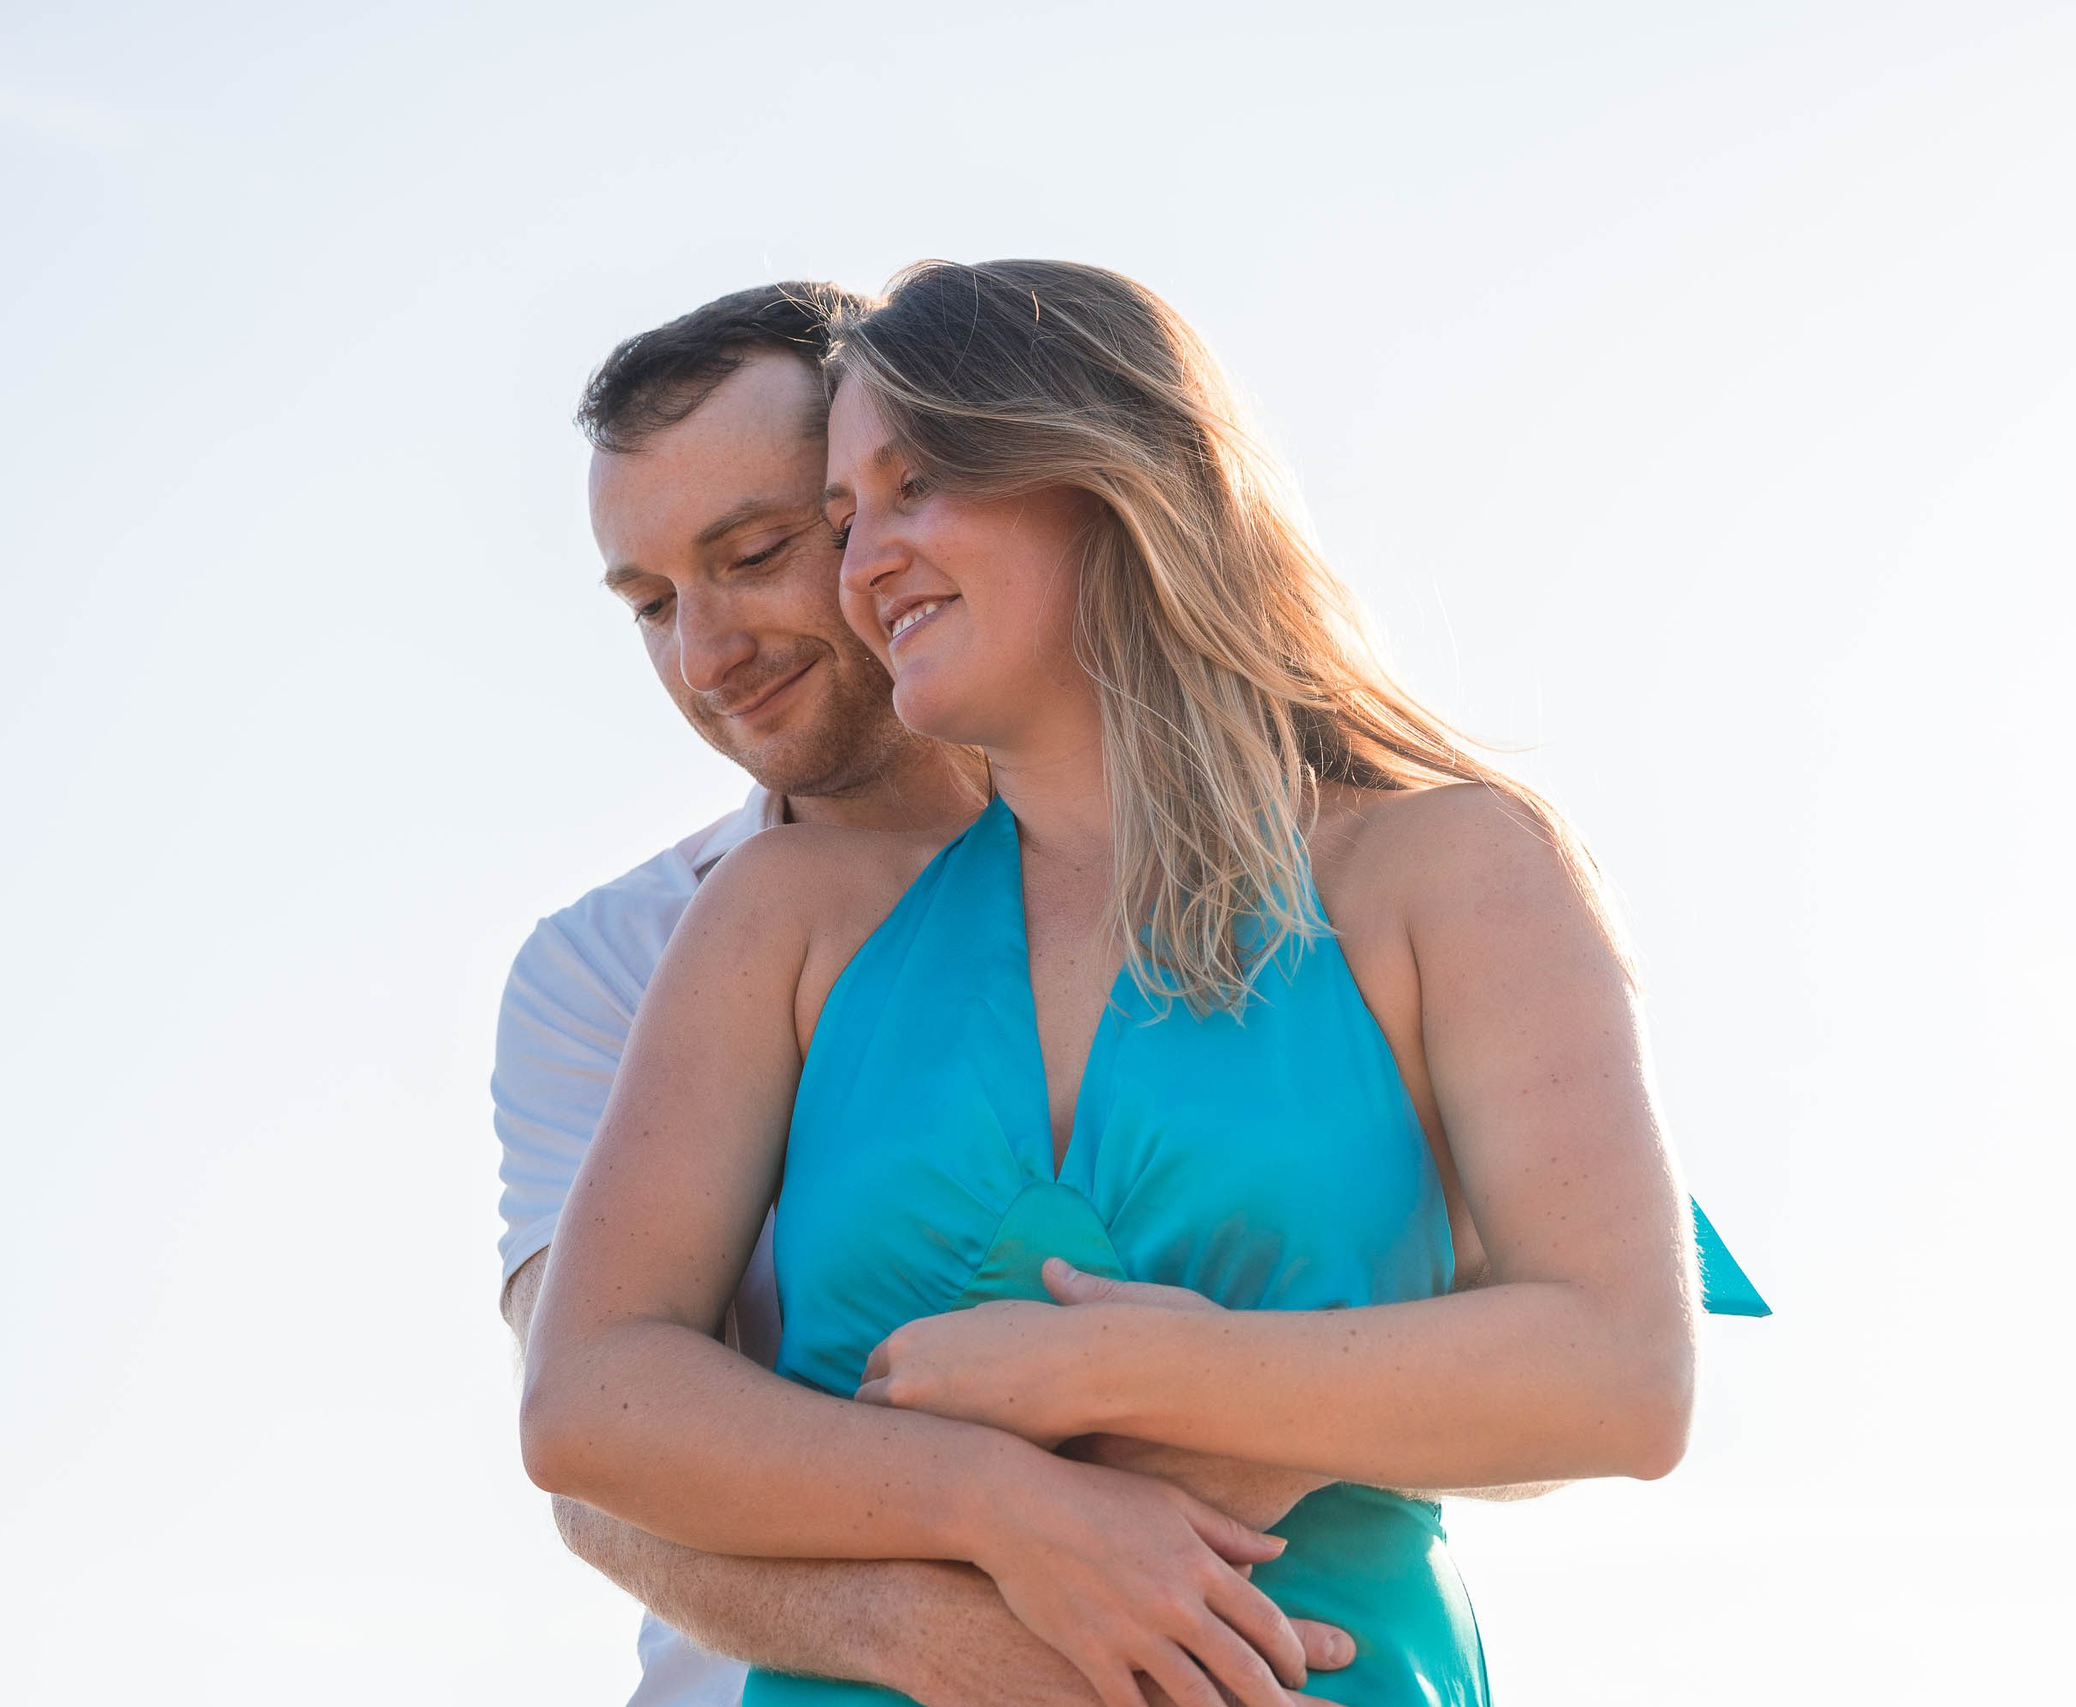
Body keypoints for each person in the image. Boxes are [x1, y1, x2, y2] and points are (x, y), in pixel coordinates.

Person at [520, 259, 1731, 1707]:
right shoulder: (766, 919)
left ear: (1106, 471)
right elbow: (588, 1409)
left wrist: (1103, 1376)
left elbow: (1618, 1372)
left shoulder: (1451, 867)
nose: (864, 567)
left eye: (913, 489)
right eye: (843, 523)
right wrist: (1000, 1505)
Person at [493, 283, 1367, 1707]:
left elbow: (1546, 1352)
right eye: (651, 605)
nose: (706, 656)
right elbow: (596, 1467)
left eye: (759, 554)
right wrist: (942, 1624)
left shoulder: (1305, 867)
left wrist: (1216, 1449)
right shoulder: (610, 965)